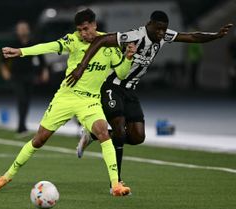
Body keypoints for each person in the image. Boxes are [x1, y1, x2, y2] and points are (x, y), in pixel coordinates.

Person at [0, 8, 137, 196]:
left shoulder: (108, 43)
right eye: (80, 30)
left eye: (86, 29)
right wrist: (21, 52)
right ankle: (6, 176)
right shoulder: (73, 40)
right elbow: (48, 46)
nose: (83, 33)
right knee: (39, 140)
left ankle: (115, 185)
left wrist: (128, 57)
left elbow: (121, 73)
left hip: (90, 101)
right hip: (66, 97)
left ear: (95, 25)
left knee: (103, 132)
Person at [72, 11, 233, 185]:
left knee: (137, 137)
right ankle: (116, 182)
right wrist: (82, 67)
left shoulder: (164, 36)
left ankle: (93, 135)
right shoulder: (134, 36)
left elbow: (192, 36)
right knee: (119, 128)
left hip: (130, 90)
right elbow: (101, 40)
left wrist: (215, 35)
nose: (161, 33)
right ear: (150, 24)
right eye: (158, 29)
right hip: (112, 85)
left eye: (164, 29)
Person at [1, 21, 49, 136]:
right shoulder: (13, 43)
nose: (22, 30)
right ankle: (21, 127)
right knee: (21, 99)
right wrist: (5, 71)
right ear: (17, 31)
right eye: (20, 28)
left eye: (24, 28)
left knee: (26, 101)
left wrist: (44, 71)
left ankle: (22, 125)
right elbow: (3, 60)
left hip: (30, 75)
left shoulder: (33, 43)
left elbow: (41, 59)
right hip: (17, 76)